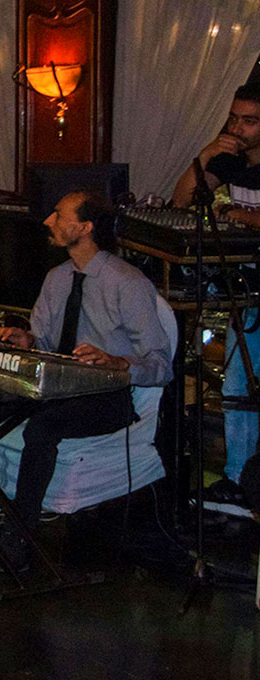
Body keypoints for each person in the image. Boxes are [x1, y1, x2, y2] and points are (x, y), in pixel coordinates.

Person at [0, 191, 172, 571]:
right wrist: (27, 340)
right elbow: (46, 342)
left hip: (106, 396)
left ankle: (21, 530)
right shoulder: (57, 278)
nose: (47, 221)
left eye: (57, 214)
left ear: (84, 228)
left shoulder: (128, 283)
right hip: (55, 386)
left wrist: (117, 362)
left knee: (44, 425)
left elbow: (161, 365)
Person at [172, 83, 260, 516]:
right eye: (233, 118)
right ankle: (239, 479)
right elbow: (181, 200)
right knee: (239, 382)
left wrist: (240, 214)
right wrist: (205, 156)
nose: (238, 128)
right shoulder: (230, 160)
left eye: (249, 121)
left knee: (245, 382)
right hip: (249, 289)